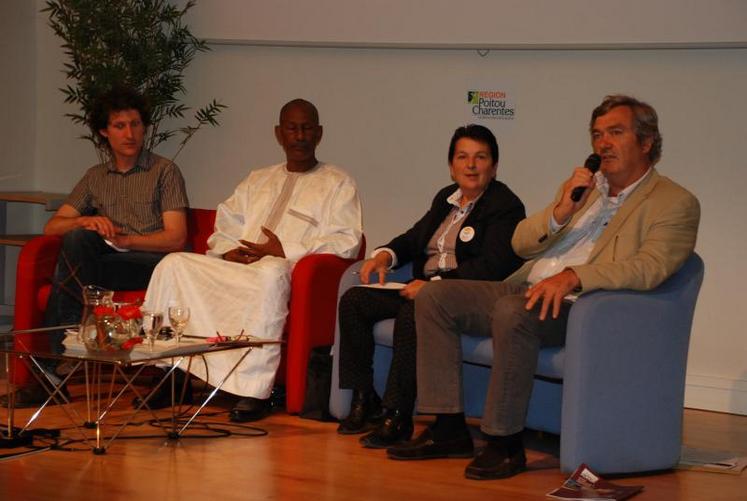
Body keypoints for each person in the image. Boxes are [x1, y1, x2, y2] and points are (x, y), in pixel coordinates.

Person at [387, 95, 700, 480]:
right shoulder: (584, 192)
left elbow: (651, 267)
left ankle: (504, 443)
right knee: (435, 296)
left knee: (513, 311)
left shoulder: (674, 202)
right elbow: (520, 244)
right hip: (527, 288)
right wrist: (561, 212)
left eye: (615, 133)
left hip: (581, 305)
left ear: (647, 141)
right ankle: (449, 428)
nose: (603, 143)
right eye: (598, 134)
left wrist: (576, 276)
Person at [143, 99, 363, 422]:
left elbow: (347, 241)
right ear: (279, 134)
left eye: (306, 129)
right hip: (239, 267)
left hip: (283, 271)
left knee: (271, 272)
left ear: (319, 134)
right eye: (292, 128)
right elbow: (226, 225)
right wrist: (227, 252)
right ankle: (169, 371)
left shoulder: (338, 183)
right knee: (173, 263)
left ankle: (251, 388)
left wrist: (284, 250)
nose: (299, 136)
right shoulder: (258, 179)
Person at [337, 124, 526, 448]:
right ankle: (363, 396)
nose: (471, 165)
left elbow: (492, 266)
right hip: (419, 286)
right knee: (355, 300)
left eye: (480, 158)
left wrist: (435, 286)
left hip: (454, 296)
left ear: (493, 166)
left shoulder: (504, 205)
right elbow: (415, 238)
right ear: (451, 165)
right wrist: (385, 255)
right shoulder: (446, 199)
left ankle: (396, 414)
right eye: (462, 157)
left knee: (415, 312)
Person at [5, 86, 189, 407]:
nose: (129, 133)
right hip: (103, 266)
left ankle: (53, 371)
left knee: (72, 263)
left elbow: (176, 238)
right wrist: (87, 221)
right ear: (105, 132)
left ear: (145, 128)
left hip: (151, 264)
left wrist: (125, 240)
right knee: (77, 237)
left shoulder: (164, 171)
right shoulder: (95, 177)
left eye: (135, 124)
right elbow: (53, 226)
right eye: (120, 126)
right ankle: (60, 364)